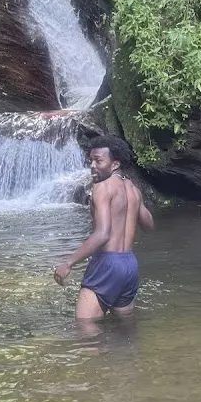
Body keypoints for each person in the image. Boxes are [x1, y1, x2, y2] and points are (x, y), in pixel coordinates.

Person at [53, 135, 154, 319]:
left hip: (107, 263)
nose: (92, 166)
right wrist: (136, 200)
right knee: (124, 328)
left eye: (98, 161)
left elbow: (103, 234)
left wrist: (68, 263)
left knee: (85, 328)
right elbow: (149, 225)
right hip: (129, 265)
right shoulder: (133, 190)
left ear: (115, 164)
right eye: (91, 160)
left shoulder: (102, 188)